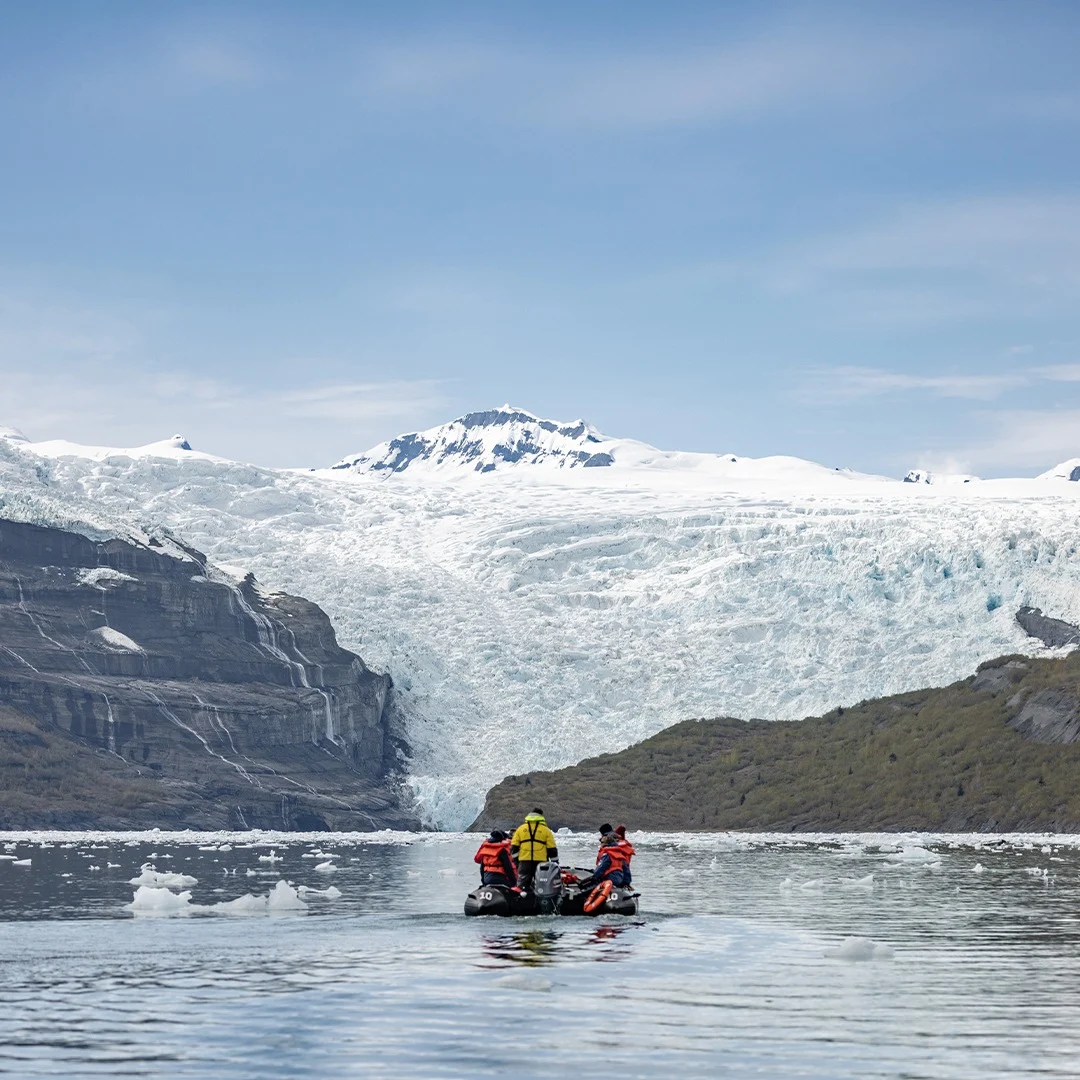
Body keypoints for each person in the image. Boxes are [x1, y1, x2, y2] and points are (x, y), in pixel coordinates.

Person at [511, 808, 559, 894]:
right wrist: (555, 863)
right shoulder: (546, 830)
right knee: (542, 884)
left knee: (522, 885)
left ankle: (520, 899)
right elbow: (552, 849)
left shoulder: (520, 829)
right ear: (541, 816)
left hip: (524, 862)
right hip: (541, 863)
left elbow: (514, 847)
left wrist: (517, 861)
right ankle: (541, 899)